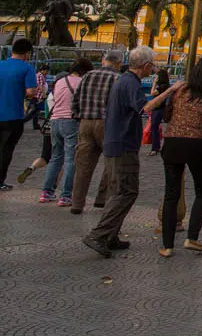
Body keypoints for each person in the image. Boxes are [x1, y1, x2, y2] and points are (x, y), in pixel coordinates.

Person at [82, 46, 156, 258]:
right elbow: (145, 107)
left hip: (116, 141)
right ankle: (99, 234)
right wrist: (169, 92)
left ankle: (110, 235)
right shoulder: (130, 83)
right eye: (152, 65)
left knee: (117, 191)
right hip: (123, 144)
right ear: (146, 65)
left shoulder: (123, 80)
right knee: (126, 191)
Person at [154, 56, 202, 257]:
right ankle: (192, 237)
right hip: (197, 145)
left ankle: (167, 245)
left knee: (171, 194)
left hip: (173, 143)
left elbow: (167, 116)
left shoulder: (180, 91)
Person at [70, 49, 122, 212]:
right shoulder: (118, 78)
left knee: (83, 165)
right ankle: (101, 198)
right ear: (119, 63)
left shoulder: (88, 75)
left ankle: (77, 204)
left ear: (103, 60)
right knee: (111, 161)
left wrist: (78, 115)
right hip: (107, 124)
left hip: (86, 122)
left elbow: (75, 99)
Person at [36, 57, 92, 204]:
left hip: (55, 121)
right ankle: (66, 195)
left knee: (55, 158)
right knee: (70, 159)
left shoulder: (60, 81)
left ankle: (46, 192)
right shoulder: (82, 82)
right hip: (71, 122)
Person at [0, 37, 40, 190]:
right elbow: (30, 91)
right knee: (6, 150)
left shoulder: (1, 64)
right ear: (27, 53)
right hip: (13, 116)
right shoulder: (27, 68)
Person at [146, 68, 170, 156]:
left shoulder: (161, 87)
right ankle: (156, 146)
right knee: (155, 127)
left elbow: (152, 93)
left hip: (158, 109)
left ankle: (155, 148)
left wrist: (154, 83)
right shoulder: (166, 86)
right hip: (161, 108)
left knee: (154, 128)